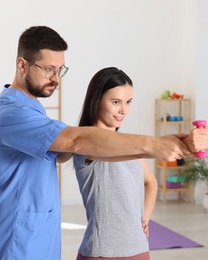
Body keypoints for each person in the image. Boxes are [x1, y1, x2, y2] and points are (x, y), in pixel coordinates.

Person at [0, 25, 208, 260]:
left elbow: (73, 151)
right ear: (22, 65)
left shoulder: (34, 112)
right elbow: (77, 141)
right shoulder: (11, 114)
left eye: (60, 70)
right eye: (49, 69)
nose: (56, 78)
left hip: (40, 236)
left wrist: (176, 145)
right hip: (16, 240)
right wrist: (155, 145)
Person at [74, 67, 157, 260]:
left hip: (138, 247)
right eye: (115, 102)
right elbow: (101, 145)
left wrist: (144, 219)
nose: (123, 110)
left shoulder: (126, 143)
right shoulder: (86, 141)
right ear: (97, 99)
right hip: (102, 252)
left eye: (128, 102)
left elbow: (150, 182)